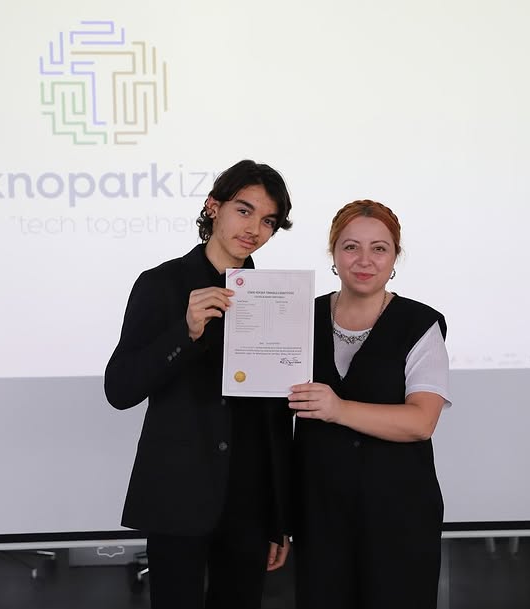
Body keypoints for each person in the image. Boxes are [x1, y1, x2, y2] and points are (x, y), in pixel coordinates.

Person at [104, 159, 294, 609]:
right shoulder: (161, 285)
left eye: (268, 221)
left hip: (250, 500)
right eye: (244, 210)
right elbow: (120, 389)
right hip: (178, 492)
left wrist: (279, 516)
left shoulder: (278, 297)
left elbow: (276, 420)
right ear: (213, 206)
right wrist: (184, 334)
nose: (254, 229)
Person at [288, 199, 451, 609]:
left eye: (379, 248)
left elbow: (421, 422)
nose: (364, 260)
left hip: (399, 515)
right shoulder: (297, 318)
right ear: (333, 253)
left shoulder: (420, 323)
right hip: (319, 513)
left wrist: (338, 409)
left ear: (395, 256)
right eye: (351, 247)